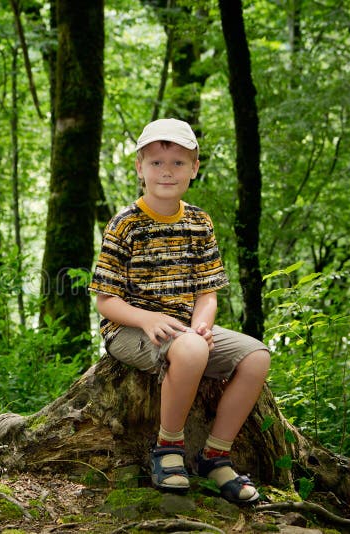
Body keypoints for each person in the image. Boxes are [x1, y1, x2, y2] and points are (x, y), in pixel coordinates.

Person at [88, 118, 271, 503]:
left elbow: (207, 292)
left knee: (255, 356)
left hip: (186, 331)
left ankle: (216, 456)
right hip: (129, 328)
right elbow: (106, 300)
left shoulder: (199, 222)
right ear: (139, 168)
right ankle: (168, 448)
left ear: (194, 168)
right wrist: (148, 318)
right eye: (156, 163)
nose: (166, 172)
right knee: (190, 349)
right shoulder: (126, 225)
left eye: (177, 163)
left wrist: (203, 325)